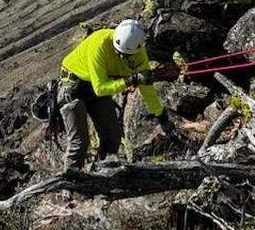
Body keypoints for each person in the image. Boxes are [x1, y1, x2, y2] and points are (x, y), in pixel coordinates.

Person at [56, 19, 172, 170]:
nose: (122, 58)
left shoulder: (138, 51)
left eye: (126, 55)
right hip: (75, 87)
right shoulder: (99, 44)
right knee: (79, 143)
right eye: (119, 53)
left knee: (112, 137)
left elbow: (146, 85)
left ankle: (100, 174)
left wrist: (161, 115)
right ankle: (70, 188)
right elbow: (100, 88)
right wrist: (131, 80)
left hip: (100, 84)